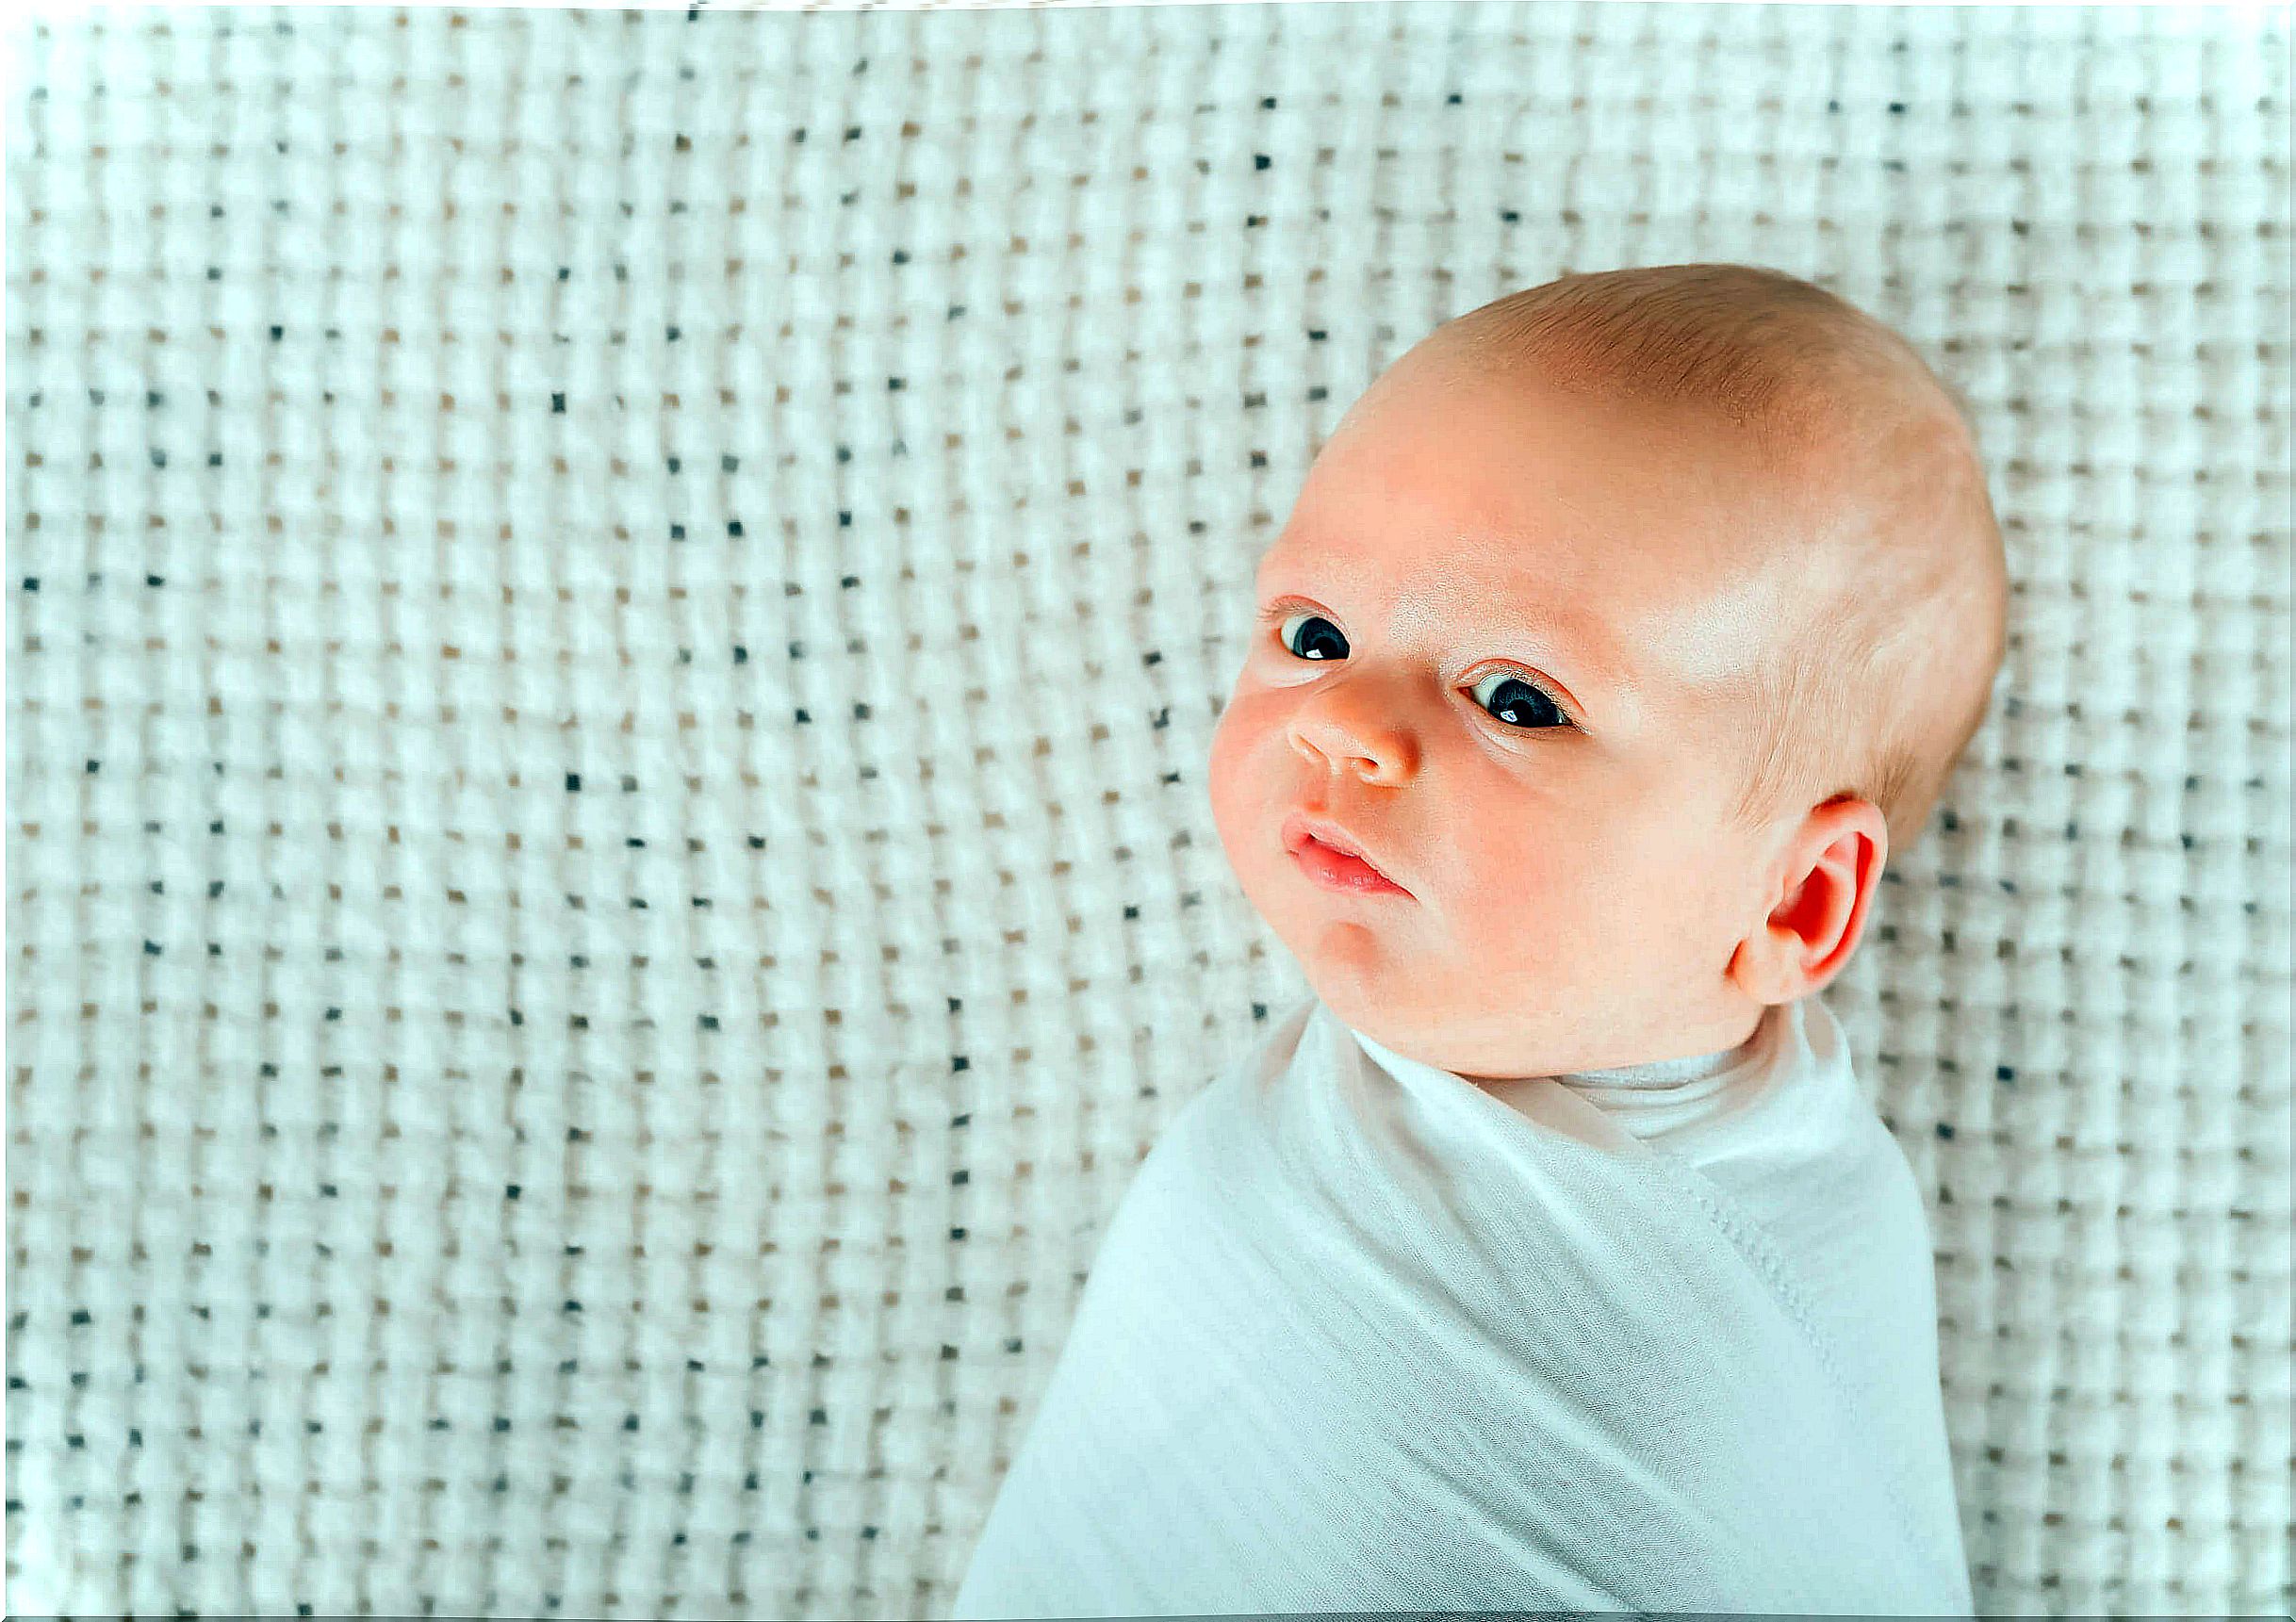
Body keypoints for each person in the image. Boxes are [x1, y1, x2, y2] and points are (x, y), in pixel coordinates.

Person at [949, 262, 2008, 1616]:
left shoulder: (1760, 1270)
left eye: (1515, 699)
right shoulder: (1348, 1120)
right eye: (1315, 633)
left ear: (1794, 904)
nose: (1345, 724)